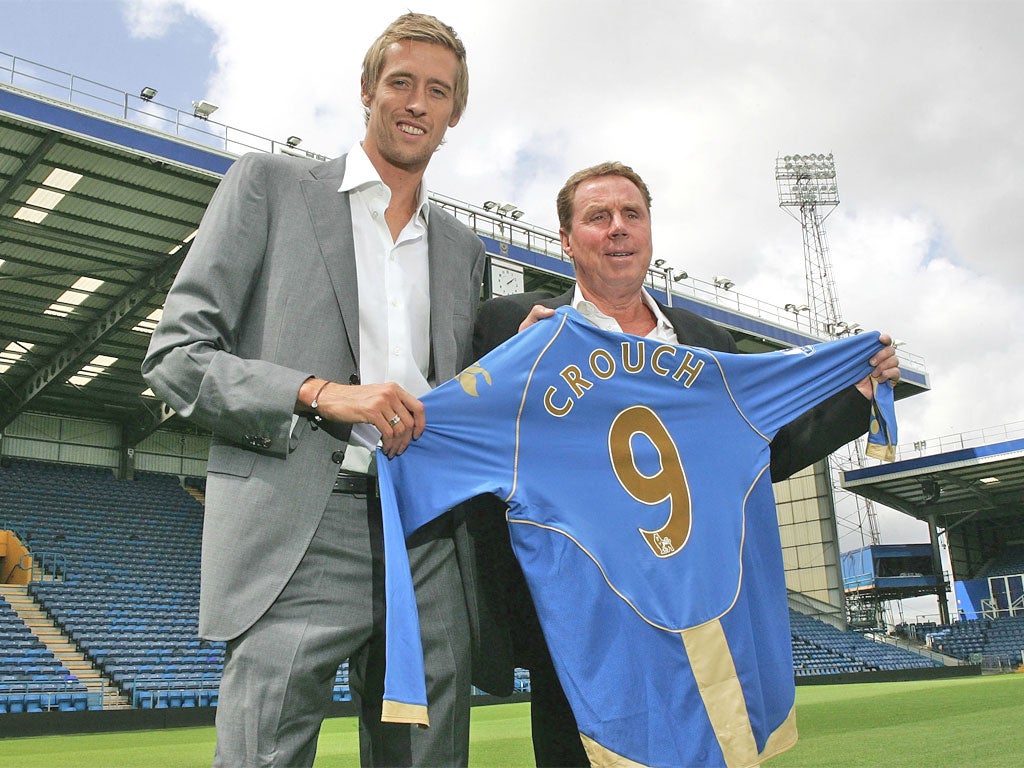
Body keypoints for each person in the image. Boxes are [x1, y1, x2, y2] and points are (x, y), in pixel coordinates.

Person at [467, 161, 900, 766]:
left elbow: (763, 452)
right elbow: (468, 429)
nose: (618, 228)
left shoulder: (705, 340)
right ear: (566, 241)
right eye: (598, 217)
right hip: (582, 617)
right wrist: (516, 361)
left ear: (649, 232)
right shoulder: (513, 325)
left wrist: (857, 396)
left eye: (631, 215)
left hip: (696, 606)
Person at [141, 13, 485, 768]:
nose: (417, 103)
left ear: (453, 116)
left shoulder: (464, 250)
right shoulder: (269, 187)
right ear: (366, 91)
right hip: (302, 526)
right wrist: (319, 391)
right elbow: (175, 356)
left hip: (426, 535)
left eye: (437, 91)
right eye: (401, 83)